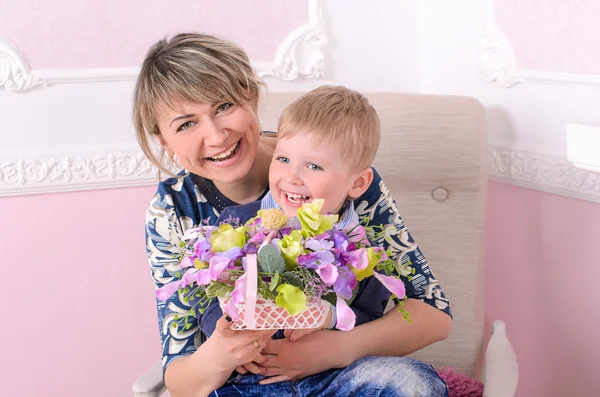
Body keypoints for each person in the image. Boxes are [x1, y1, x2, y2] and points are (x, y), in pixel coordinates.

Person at [135, 33, 452, 397]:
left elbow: (431, 314)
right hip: (246, 383)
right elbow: (181, 375)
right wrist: (222, 353)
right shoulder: (173, 210)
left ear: (251, 95)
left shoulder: (338, 174)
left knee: (412, 384)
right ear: (164, 140)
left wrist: (335, 348)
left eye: (224, 106)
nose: (216, 135)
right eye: (186, 123)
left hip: (342, 373)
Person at [209, 85, 399, 342]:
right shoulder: (237, 224)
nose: (292, 177)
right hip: (251, 368)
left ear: (357, 183)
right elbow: (209, 299)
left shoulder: (362, 251)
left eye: (314, 165)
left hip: (331, 371)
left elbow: (370, 317)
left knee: (411, 378)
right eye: (283, 159)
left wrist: (330, 317)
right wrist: (222, 334)